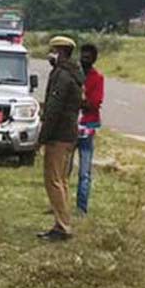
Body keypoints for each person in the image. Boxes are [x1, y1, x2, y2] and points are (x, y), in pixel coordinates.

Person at [38, 36, 83, 241]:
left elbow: (54, 109)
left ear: (61, 52)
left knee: (53, 180)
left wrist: (42, 136)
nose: (51, 54)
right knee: (62, 180)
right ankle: (62, 222)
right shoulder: (74, 73)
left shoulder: (62, 76)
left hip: (58, 135)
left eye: (54, 50)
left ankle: (63, 226)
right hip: (69, 133)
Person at [75, 43, 105, 215]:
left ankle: (81, 207)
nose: (84, 59)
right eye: (83, 55)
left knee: (84, 171)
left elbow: (95, 103)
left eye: (88, 56)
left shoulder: (97, 78)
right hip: (73, 124)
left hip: (87, 126)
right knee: (65, 169)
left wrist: (80, 102)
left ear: (94, 59)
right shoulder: (75, 74)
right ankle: (60, 204)